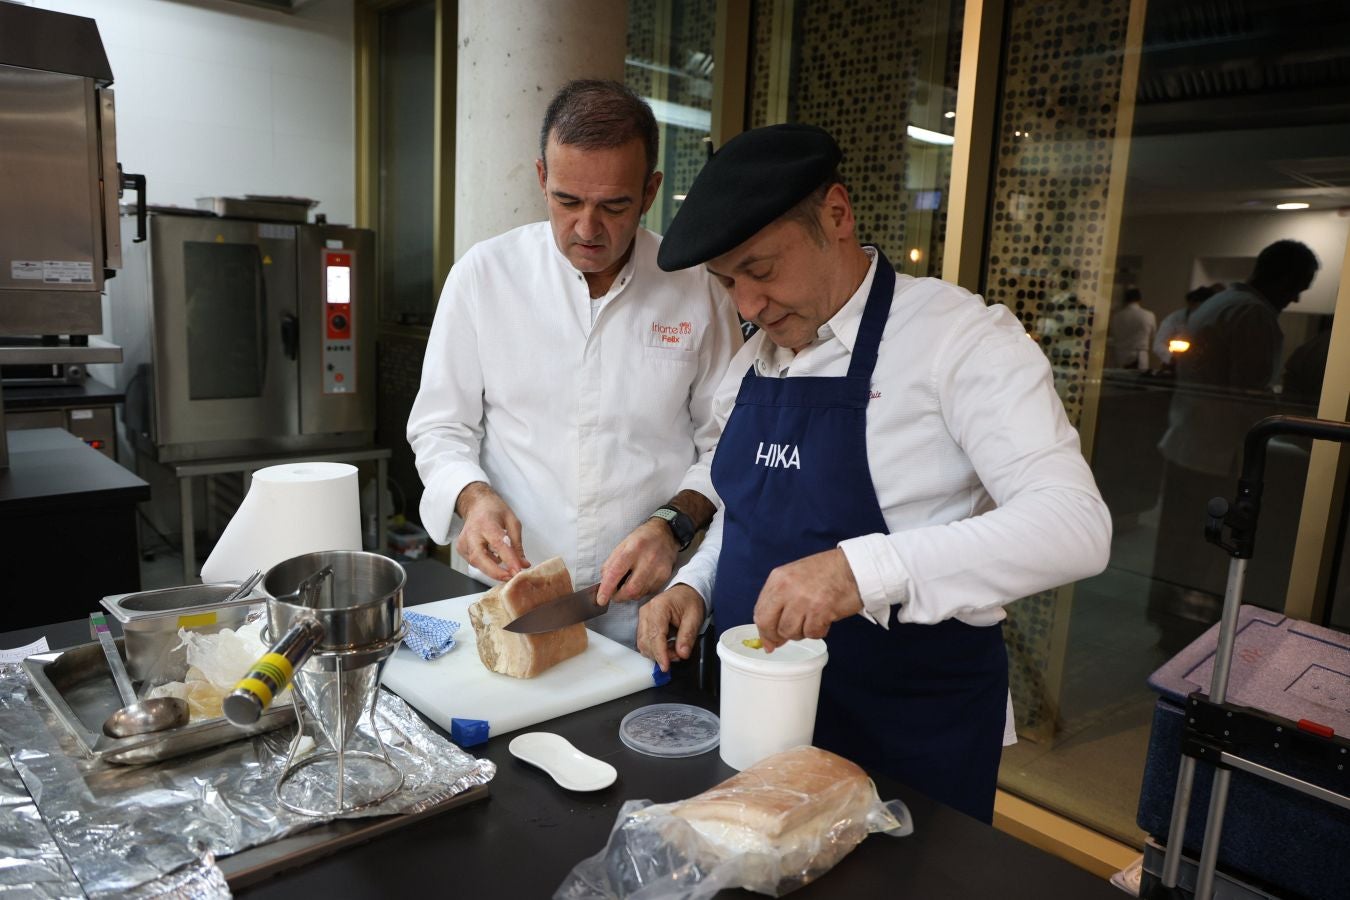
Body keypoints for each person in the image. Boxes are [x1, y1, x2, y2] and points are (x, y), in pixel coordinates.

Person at [627, 124, 1111, 824]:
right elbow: (749, 508)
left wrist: (859, 571)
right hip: (760, 731)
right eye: (727, 282)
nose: (748, 307)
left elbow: (1075, 525)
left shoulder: (960, 339)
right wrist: (693, 584)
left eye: (761, 270)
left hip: (902, 742)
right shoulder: (755, 357)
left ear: (836, 214)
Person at [407, 80, 741, 647]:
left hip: (648, 607)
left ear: (651, 190)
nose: (588, 229)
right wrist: (472, 496)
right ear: (542, 177)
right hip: (509, 600)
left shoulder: (697, 288)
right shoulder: (485, 276)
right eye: (567, 201)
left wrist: (673, 525)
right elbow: (440, 427)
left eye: (614, 206)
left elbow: (728, 443)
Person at [1150, 241, 1320, 644]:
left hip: (1188, 443)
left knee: (1179, 545)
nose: (1295, 298)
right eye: (1297, 286)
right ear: (1280, 277)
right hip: (1216, 452)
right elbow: (1248, 396)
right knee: (1206, 551)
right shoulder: (1254, 315)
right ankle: (1191, 634)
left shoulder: (1221, 302)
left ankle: (1171, 625)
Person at [1152, 283, 1221, 367]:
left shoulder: (1213, 319)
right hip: (1173, 364)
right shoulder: (1174, 318)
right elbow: (1158, 344)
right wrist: (1172, 358)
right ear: (1190, 303)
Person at [1107, 287, 1157, 369]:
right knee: (1137, 380)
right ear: (1139, 299)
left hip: (1119, 354)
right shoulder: (1149, 315)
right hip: (1139, 354)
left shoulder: (1117, 316)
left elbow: (1112, 334)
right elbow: (1153, 335)